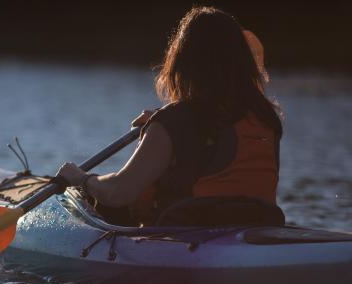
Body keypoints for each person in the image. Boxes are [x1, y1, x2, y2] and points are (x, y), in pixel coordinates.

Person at [56, 6, 284, 227]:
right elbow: (218, 132)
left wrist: (81, 179)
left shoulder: (174, 123)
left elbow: (119, 193)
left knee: (98, 201)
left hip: (187, 238)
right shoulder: (265, 119)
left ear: (183, 62)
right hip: (256, 231)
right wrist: (164, 124)